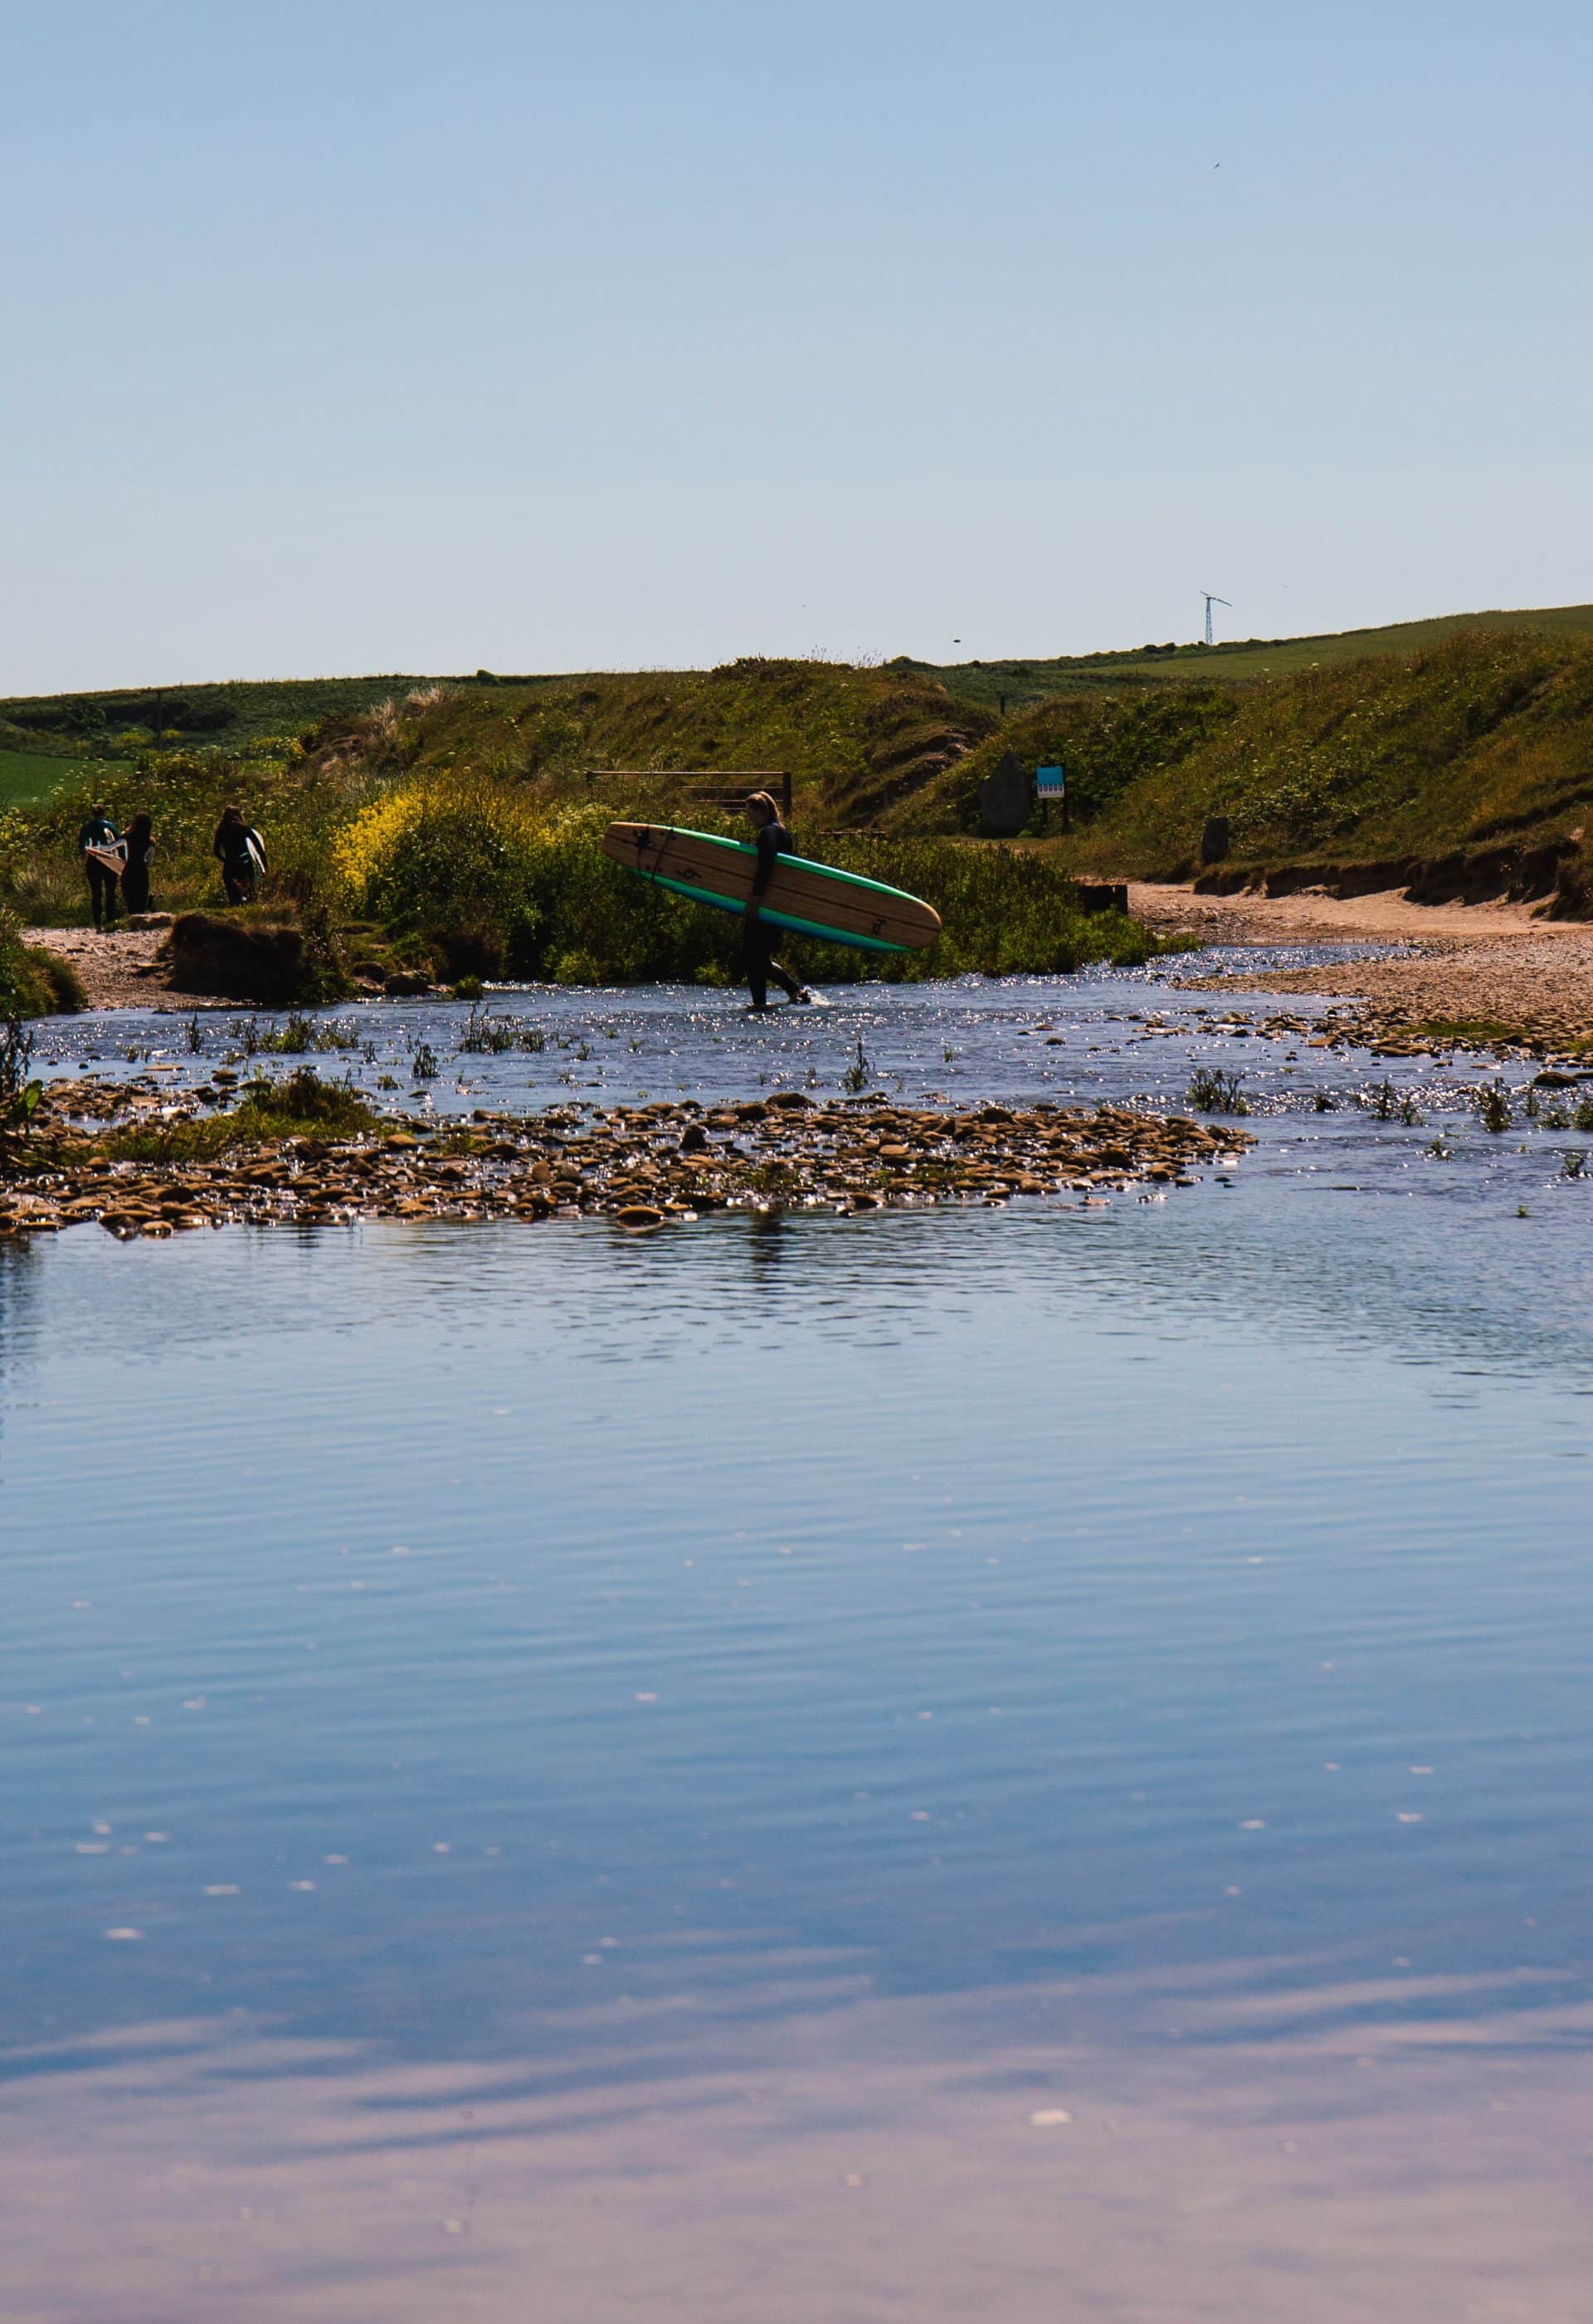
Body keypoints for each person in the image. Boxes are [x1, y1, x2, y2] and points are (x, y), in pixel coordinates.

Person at [742, 791, 811, 1011]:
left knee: (754, 957)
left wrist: (755, 898)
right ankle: (794, 994)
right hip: (778, 904)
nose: (748, 818)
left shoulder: (768, 833)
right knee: (757, 957)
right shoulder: (783, 832)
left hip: (765, 903)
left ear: (761, 811)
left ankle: (766, 1003)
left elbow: (766, 867)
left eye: (750, 813)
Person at [77, 803, 123, 933]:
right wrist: (122, 861)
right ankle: (110, 921)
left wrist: (83, 855)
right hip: (109, 860)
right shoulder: (110, 826)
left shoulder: (87, 826)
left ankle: (98, 923)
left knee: (96, 894)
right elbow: (119, 843)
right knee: (110, 892)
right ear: (104, 813)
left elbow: (82, 844)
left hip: (93, 860)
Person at [212, 805, 266, 905]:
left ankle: (234, 916)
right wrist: (264, 866)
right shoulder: (244, 829)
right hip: (245, 865)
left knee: (234, 900)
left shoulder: (221, 831)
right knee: (249, 896)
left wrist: (225, 860)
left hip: (230, 867)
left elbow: (216, 851)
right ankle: (248, 916)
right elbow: (258, 848)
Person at [120, 812, 155, 914]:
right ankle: (140, 924)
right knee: (141, 901)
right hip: (142, 871)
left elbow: (115, 850)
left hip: (129, 870)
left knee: (130, 900)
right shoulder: (150, 842)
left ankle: (131, 922)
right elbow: (149, 862)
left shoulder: (126, 837)